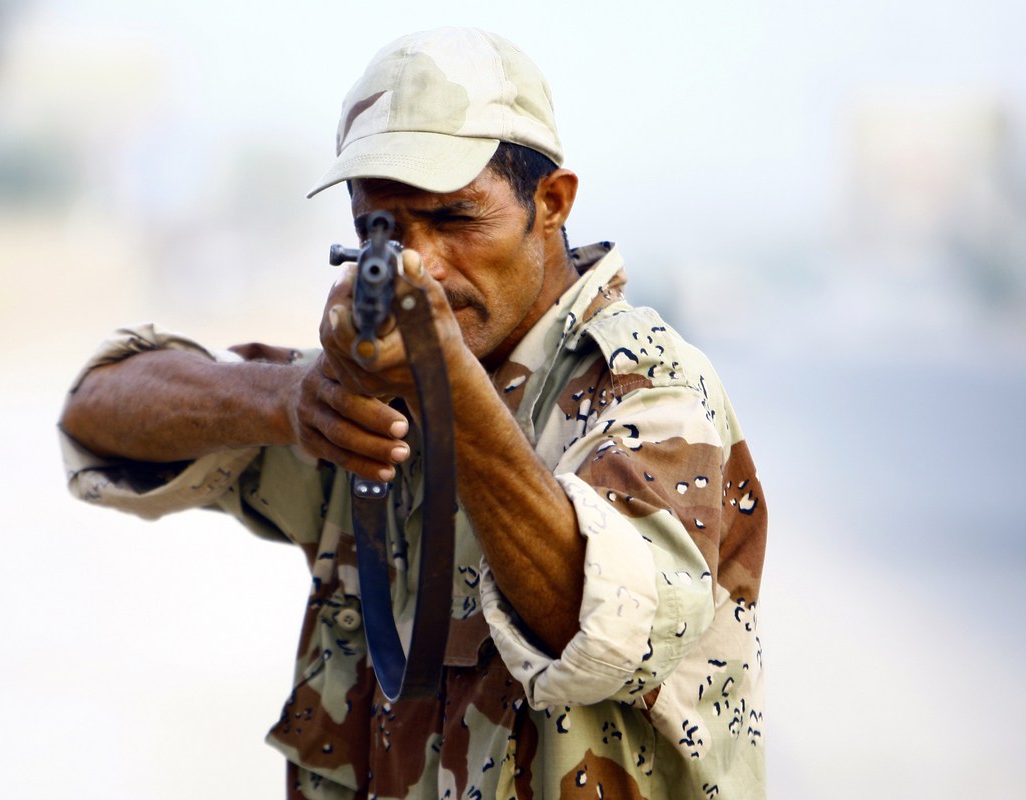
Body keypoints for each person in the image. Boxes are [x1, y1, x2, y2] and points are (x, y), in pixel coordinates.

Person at [59, 26, 768, 800]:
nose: (418, 263)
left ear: (552, 202)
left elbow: (591, 624)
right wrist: (288, 401)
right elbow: (98, 411)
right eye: (381, 229)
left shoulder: (647, 387)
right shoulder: (360, 390)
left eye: (458, 219)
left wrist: (445, 383)